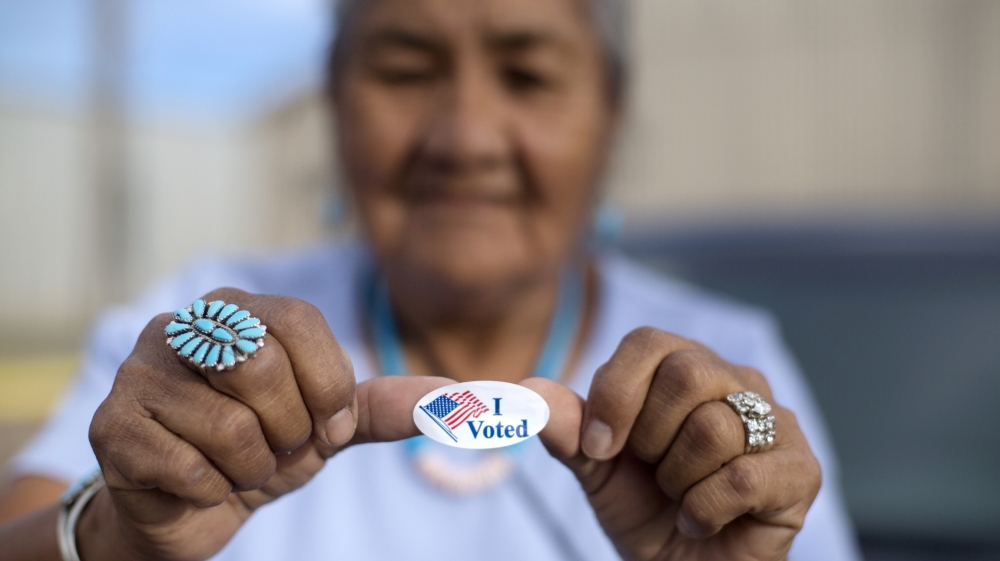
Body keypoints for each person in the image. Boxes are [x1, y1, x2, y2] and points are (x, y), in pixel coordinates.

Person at [0, 0, 862, 559]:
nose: (465, 137)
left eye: (527, 75)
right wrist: (119, 535)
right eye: (405, 71)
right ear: (335, 108)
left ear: (610, 120)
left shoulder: (727, 359)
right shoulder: (202, 327)